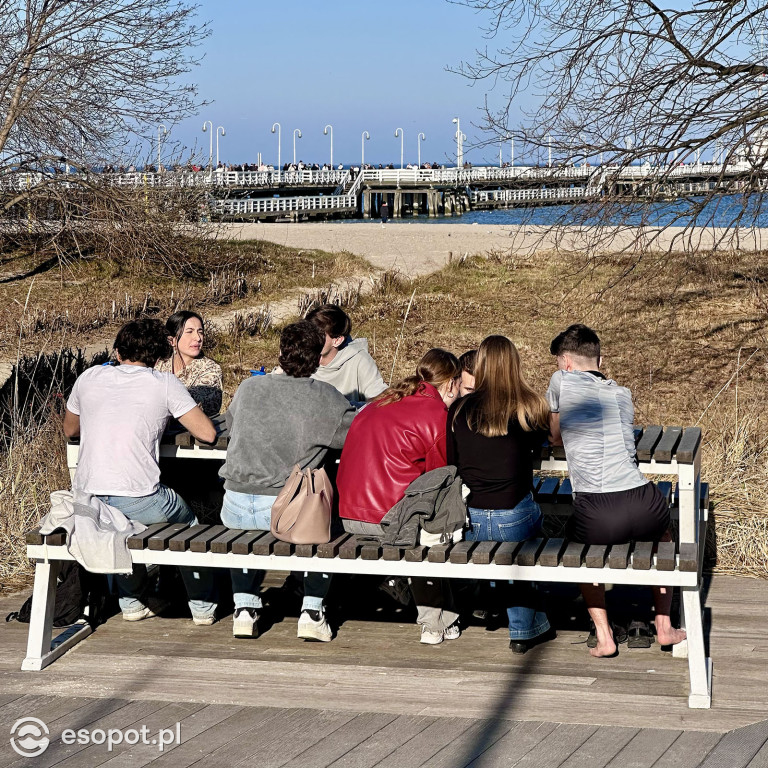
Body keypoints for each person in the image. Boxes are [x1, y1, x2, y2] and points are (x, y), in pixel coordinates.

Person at [63, 319, 218, 624]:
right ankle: (202, 608)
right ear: (158, 355)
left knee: (123, 528)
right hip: (139, 496)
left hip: (88, 496)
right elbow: (208, 434)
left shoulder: (89, 376)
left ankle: (132, 602)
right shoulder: (162, 382)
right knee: (190, 525)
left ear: (118, 352)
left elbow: (70, 431)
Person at [546, 324, 687, 657]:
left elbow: (554, 437)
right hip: (643, 502)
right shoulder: (621, 393)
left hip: (597, 510)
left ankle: (605, 636)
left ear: (566, 362)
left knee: (583, 553)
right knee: (663, 538)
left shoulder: (561, 382)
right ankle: (665, 627)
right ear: (600, 358)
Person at [219, 320, 356, 642]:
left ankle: (244, 608)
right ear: (319, 357)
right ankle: (311, 611)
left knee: (242, 540)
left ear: (280, 353)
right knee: (330, 530)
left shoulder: (248, 388)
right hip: (289, 509)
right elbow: (352, 437)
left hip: (236, 499)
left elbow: (229, 424)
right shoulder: (328, 398)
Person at [337, 348, 462, 644]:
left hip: (348, 513)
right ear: (450, 384)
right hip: (389, 520)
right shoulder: (435, 414)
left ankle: (442, 615)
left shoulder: (385, 399)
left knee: (424, 519)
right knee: (435, 524)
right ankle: (434, 623)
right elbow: (440, 477)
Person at [448, 336, 554, 653]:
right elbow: (543, 444)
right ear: (514, 365)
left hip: (473, 514)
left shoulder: (460, 409)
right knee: (525, 548)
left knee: (498, 552)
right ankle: (523, 629)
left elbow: (454, 461)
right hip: (515, 510)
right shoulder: (530, 406)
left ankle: (496, 605)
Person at [305, 304, 387, 405]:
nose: (307, 338)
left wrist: (346, 408)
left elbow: (380, 400)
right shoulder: (298, 357)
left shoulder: (359, 360)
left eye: (317, 335)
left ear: (337, 340)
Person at [155, 310, 223, 417]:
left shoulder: (211, 369)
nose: (198, 338)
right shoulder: (159, 364)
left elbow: (195, 406)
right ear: (172, 340)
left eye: (200, 332)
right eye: (190, 332)